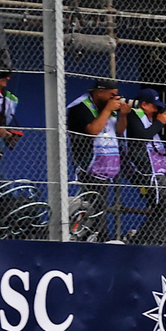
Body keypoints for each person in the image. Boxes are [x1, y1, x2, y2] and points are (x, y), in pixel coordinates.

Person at [66, 78, 129, 241]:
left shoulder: (106, 106)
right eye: (111, 95)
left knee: (99, 208)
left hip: (106, 167)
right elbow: (92, 130)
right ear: (100, 92)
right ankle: (92, 239)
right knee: (92, 209)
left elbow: (120, 131)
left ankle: (97, 237)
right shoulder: (80, 107)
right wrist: (108, 109)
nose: (114, 99)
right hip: (89, 165)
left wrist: (123, 115)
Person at [121, 88, 166, 246]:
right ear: (144, 104)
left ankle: (142, 241)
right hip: (143, 171)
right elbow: (141, 136)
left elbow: (154, 135)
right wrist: (160, 122)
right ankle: (153, 241)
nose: (156, 109)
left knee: (162, 207)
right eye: (154, 106)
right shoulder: (134, 115)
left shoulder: (150, 119)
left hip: (154, 170)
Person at [0, 69, 20, 182]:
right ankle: (8, 195)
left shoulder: (10, 98)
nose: (7, 78)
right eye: (3, 75)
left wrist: (10, 134)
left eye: (8, 76)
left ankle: (4, 196)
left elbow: (4, 122)